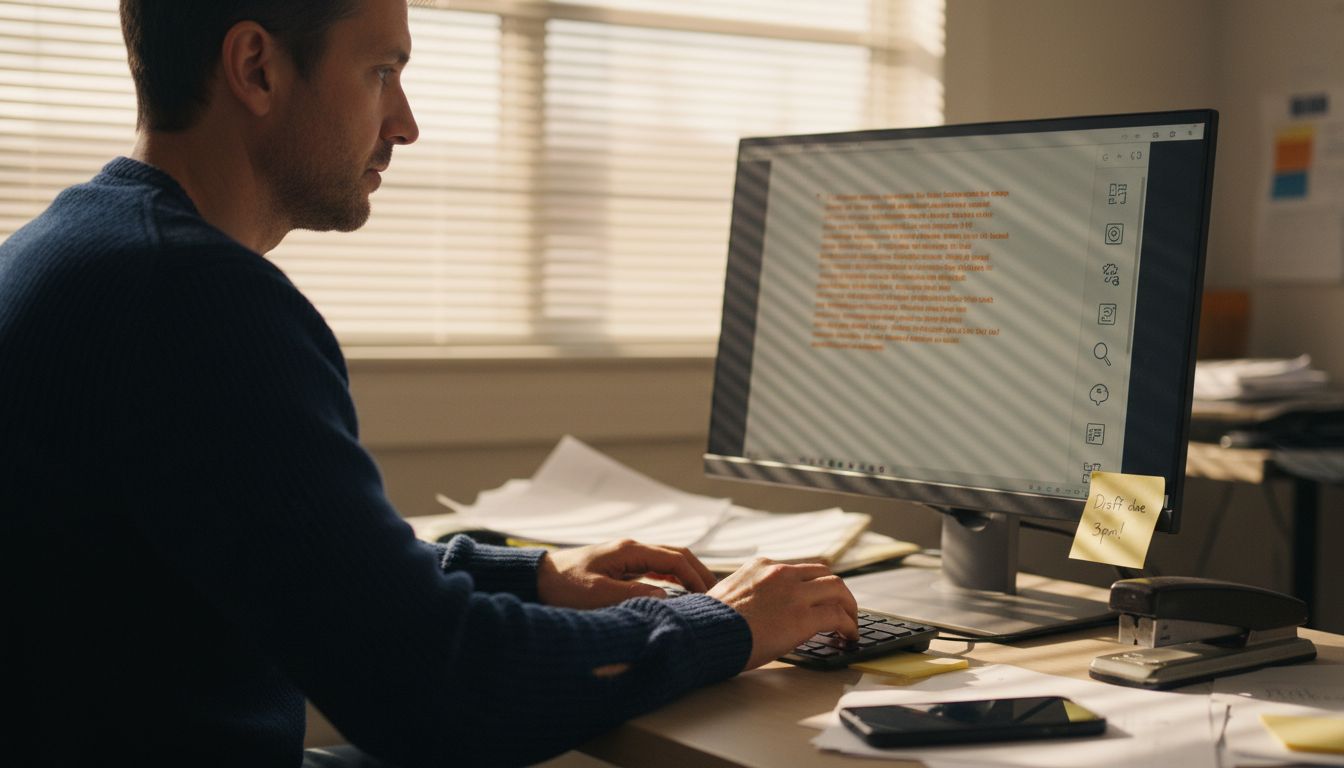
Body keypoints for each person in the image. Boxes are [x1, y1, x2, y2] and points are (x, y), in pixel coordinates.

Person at [0, 1, 860, 766]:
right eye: (381, 72)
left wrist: (535, 577)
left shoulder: (78, 250)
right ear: (256, 67)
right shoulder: (193, 301)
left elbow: (313, 565)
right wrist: (729, 621)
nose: (405, 124)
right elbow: (444, 692)